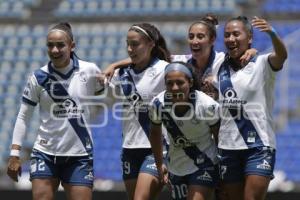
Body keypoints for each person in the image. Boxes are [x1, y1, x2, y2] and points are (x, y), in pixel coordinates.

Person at [7, 22, 103, 200]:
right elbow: (23, 116)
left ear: (72, 46)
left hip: (79, 155)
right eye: (50, 45)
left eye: (60, 45)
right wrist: (14, 154)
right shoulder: (38, 77)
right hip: (45, 154)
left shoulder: (89, 70)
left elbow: (105, 95)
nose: (55, 50)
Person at [214, 16, 288, 200]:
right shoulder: (219, 65)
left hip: (259, 146)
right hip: (228, 147)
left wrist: (272, 33)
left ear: (249, 38)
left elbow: (281, 55)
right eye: (227, 35)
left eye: (236, 34)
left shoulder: (262, 63)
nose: (231, 38)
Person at [103, 14, 257, 101]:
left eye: (200, 37)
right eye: (191, 37)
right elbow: (149, 57)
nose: (194, 41)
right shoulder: (181, 62)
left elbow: (243, 57)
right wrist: (114, 65)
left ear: (212, 40)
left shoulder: (223, 59)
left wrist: (252, 51)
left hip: (222, 125)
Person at [100, 23, 171, 200]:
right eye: (128, 44)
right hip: (129, 148)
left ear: (150, 44)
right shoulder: (120, 75)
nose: (130, 49)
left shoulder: (165, 70)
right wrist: (115, 65)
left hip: (156, 148)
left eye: (135, 44)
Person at [149, 61, 220, 200]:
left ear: (191, 82)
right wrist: (160, 164)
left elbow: (218, 136)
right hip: (176, 166)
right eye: (170, 83)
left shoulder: (207, 105)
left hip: (205, 163)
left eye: (180, 83)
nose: (175, 88)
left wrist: (223, 168)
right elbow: (155, 133)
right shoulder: (157, 104)